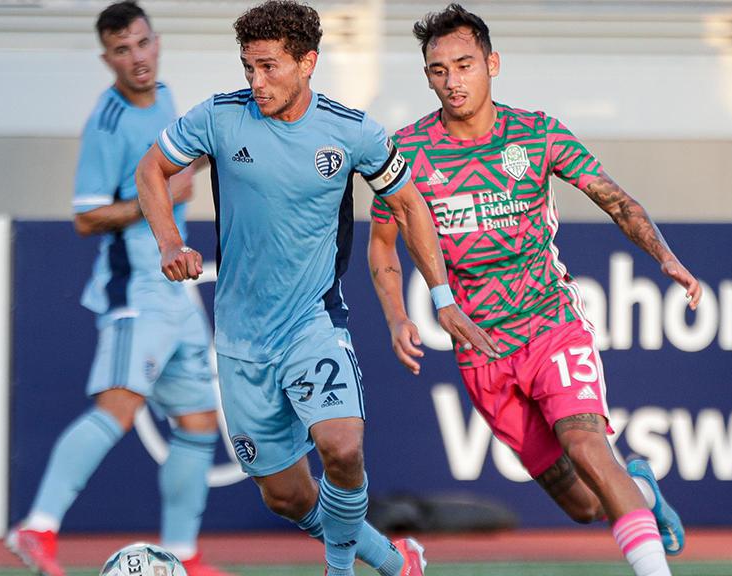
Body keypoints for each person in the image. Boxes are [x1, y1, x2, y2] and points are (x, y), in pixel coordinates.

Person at [136, 2, 496, 575]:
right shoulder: (220, 117)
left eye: (269, 67)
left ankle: (339, 569)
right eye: (248, 67)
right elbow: (151, 168)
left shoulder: (351, 131)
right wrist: (169, 243)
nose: (256, 82)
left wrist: (442, 297)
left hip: (313, 323)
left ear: (307, 63)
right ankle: (395, 561)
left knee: (343, 447)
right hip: (240, 337)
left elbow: (409, 205)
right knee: (287, 496)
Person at [366, 5, 701, 576]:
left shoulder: (536, 132)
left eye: (465, 65)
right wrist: (398, 317)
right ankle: (642, 490)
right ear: (427, 76)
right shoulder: (408, 152)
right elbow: (381, 244)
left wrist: (665, 256)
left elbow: (615, 199)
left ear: (492, 64)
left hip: (550, 324)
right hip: (482, 350)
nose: (453, 81)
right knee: (584, 504)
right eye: (440, 70)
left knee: (588, 446)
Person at [5, 4, 230, 576]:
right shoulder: (106, 124)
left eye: (142, 43)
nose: (137, 58)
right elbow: (85, 216)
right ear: (107, 58)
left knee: (199, 421)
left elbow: (180, 173)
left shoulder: (168, 97)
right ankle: (38, 526)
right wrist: (156, 197)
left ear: (157, 41)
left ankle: (183, 554)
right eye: (123, 50)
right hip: (136, 292)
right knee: (119, 407)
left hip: (176, 288)